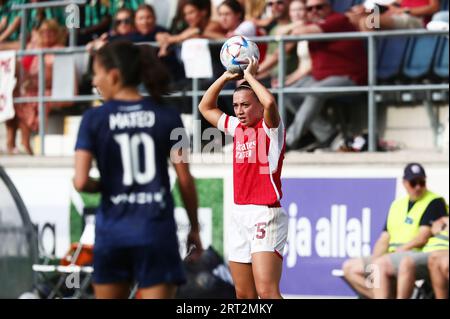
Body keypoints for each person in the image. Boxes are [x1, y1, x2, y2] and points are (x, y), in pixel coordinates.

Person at [73, 41, 202, 299]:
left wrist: (104, 185)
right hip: (156, 231)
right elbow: (185, 179)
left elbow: (80, 182)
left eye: (96, 74)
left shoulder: (93, 119)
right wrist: (194, 227)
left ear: (114, 75)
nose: (94, 81)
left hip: (113, 232)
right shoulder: (168, 115)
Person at [198, 57, 288, 299]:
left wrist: (249, 77)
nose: (239, 110)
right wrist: (226, 77)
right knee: (244, 295)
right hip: (239, 213)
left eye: (245, 105)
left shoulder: (270, 128)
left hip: (265, 213)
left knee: (267, 292)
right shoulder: (237, 127)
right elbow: (205, 107)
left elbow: (269, 100)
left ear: (258, 106)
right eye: (236, 105)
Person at [342, 163, 448, 299]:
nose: (418, 187)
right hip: (392, 255)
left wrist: (399, 250)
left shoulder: (434, 201)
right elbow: (384, 238)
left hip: (411, 252)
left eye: (422, 182)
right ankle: (381, 295)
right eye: (413, 183)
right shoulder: (397, 205)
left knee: (381, 265)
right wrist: (375, 259)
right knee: (350, 268)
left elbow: (423, 237)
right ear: (404, 183)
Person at [285, 0, 367, 151]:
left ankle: (289, 141)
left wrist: (298, 24)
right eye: (310, 9)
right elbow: (286, 46)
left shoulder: (338, 19)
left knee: (314, 91)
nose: (314, 11)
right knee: (287, 93)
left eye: (319, 7)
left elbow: (300, 32)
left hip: (349, 78)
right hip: (320, 78)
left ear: (329, 7)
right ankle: (328, 135)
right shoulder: (314, 24)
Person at [388, 216, 448, 299]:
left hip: (442, 252)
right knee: (378, 265)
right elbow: (435, 228)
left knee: (440, 261)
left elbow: (422, 237)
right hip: (431, 252)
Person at [348, 0, 440, 31]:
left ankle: (371, 60)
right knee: (353, 18)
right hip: (400, 15)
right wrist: (367, 10)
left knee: (367, 21)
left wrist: (405, 11)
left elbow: (434, 8)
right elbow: (392, 6)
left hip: (417, 19)